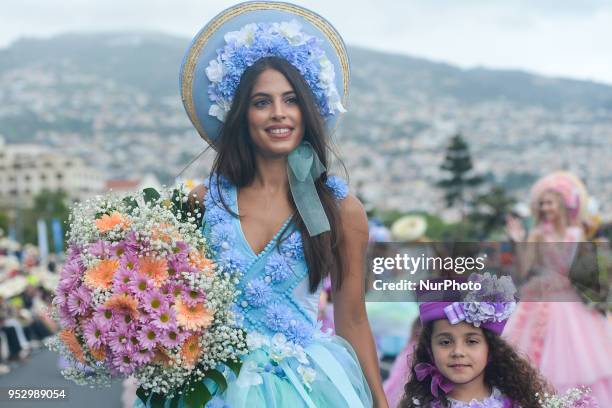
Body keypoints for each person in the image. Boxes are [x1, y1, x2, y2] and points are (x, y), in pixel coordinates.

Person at [142, 3, 387, 407]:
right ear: (241, 114)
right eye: (262, 102)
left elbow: (353, 317)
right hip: (209, 388)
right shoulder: (202, 202)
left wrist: (379, 400)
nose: (279, 114)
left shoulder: (342, 210)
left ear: (308, 111)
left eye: (291, 100)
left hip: (305, 388)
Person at [504, 172, 612, 405]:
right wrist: (518, 241)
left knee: (577, 356)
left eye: (549, 202)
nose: (545, 207)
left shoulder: (575, 234)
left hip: (569, 297)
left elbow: (583, 269)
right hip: (539, 294)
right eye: (541, 203)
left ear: (561, 205)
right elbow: (524, 269)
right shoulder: (536, 235)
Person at [399, 274, 552, 407]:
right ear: (429, 347)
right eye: (445, 342)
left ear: (491, 347)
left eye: (471, 341)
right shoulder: (419, 405)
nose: (458, 352)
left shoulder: (516, 404)